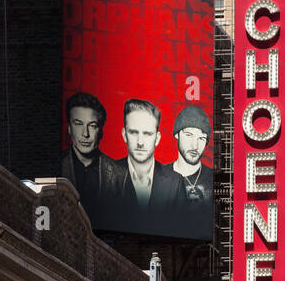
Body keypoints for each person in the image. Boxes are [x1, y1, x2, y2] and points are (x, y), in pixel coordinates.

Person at [116, 99, 188, 234]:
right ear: (124, 135)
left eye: (147, 134)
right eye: (133, 132)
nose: (140, 142)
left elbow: (183, 233)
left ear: (157, 138)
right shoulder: (106, 176)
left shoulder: (175, 183)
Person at [59, 91, 124, 230]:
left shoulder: (120, 174)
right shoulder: (58, 167)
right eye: (78, 124)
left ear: (100, 131)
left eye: (92, 125)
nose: (85, 134)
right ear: (69, 128)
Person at [170, 104, 213, 239]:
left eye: (201, 138)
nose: (195, 146)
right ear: (177, 134)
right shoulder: (156, 175)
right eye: (189, 135)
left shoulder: (214, 178)